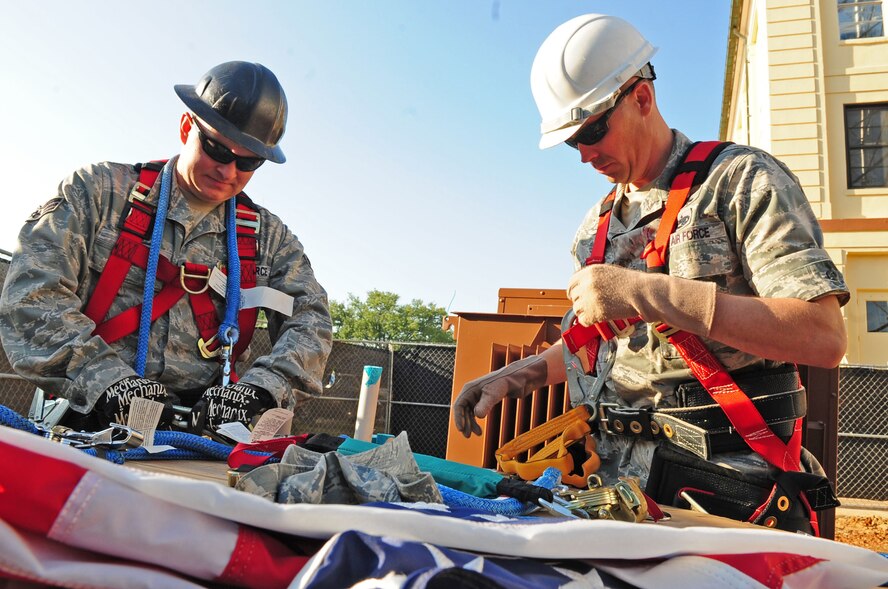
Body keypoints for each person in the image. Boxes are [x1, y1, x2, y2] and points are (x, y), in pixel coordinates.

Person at [452, 14, 849, 533]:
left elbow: (822, 337)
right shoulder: (593, 230)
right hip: (614, 495)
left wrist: (645, 292)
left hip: (726, 499)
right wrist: (512, 377)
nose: (585, 154)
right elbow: (590, 343)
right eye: (574, 141)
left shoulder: (738, 182)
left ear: (641, 98)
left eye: (593, 129)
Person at [0, 61, 332, 436]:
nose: (228, 171)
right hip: (85, 417)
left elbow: (311, 322)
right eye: (217, 150)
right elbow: (31, 293)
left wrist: (261, 390)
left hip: (203, 435)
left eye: (248, 161)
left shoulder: (268, 239)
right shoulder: (99, 193)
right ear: (187, 127)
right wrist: (105, 379)